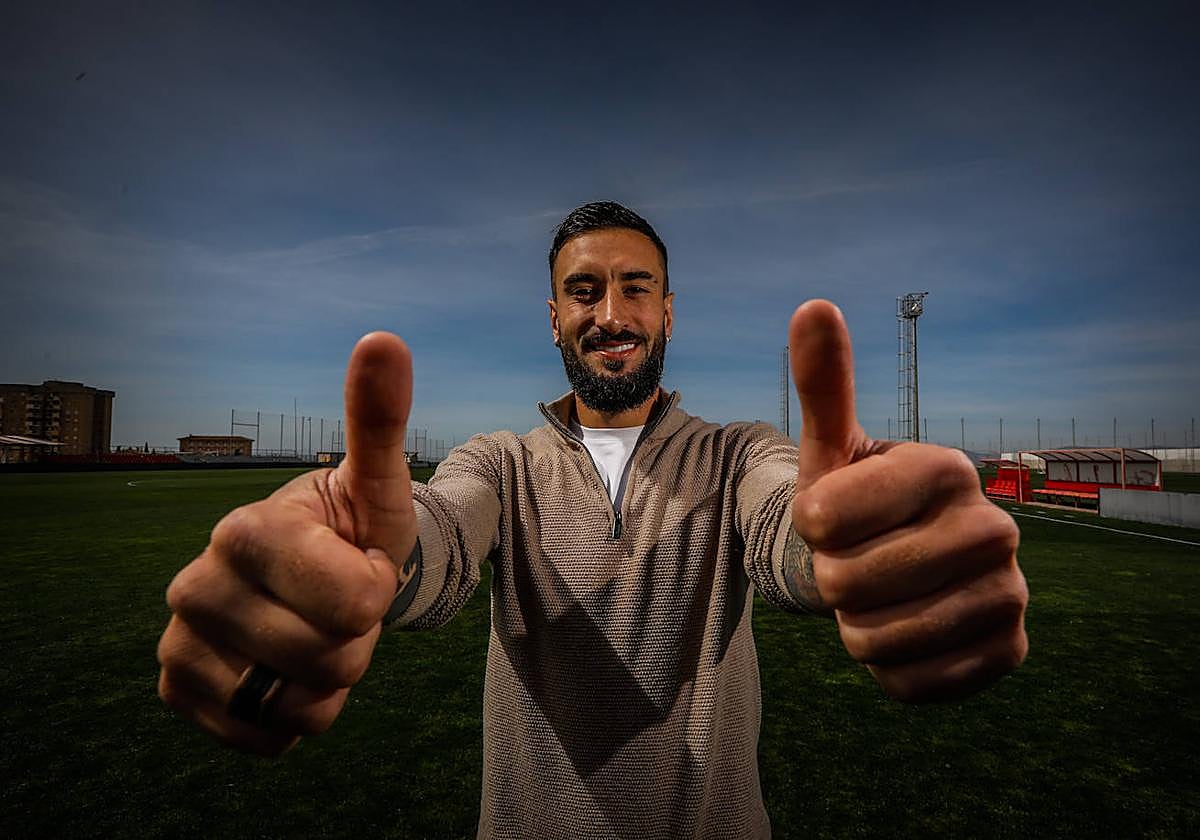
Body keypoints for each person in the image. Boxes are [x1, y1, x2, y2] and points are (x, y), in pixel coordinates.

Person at [157, 201, 1028, 838]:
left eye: (634, 289)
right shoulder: (496, 460)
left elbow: (784, 526)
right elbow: (438, 540)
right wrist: (373, 563)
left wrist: (844, 542)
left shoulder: (738, 453)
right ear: (553, 318)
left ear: (668, 310)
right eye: (583, 292)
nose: (610, 315)